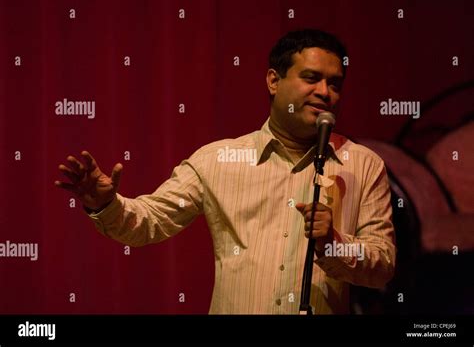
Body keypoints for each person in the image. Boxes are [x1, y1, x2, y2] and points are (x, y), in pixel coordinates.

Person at [55, 29, 396, 314]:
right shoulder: (218, 160)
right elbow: (148, 223)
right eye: (311, 78)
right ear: (273, 81)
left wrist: (333, 244)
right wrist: (105, 204)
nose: (325, 92)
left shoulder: (363, 165)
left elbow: (383, 267)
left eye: (335, 84)